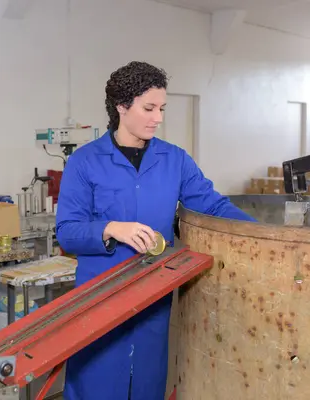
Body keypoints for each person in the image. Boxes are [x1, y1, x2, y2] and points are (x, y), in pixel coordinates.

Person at [55, 61, 256, 400]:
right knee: (97, 382)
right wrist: (111, 228)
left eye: (161, 108)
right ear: (122, 106)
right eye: (149, 108)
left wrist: (261, 233)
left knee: (148, 382)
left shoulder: (174, 159)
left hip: (153, 294)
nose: (158, 118)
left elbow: (213, 205)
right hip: (101, 296)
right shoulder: (84, 162)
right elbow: (68, 232)